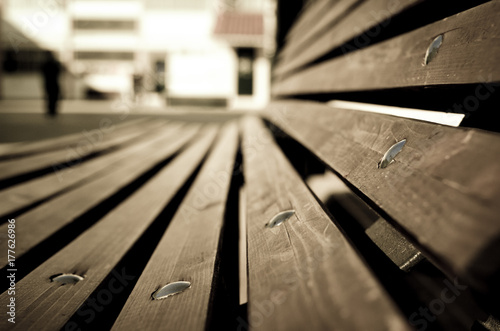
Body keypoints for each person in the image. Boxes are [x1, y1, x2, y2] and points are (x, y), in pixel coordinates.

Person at [41, 51, 61, 116]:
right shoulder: (55, 63)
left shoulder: (46, 64)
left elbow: (43, 73)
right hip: (53, 82)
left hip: (49, 82)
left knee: (50, 97)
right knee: (53, 97)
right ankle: (53, 110)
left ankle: (51, 110)